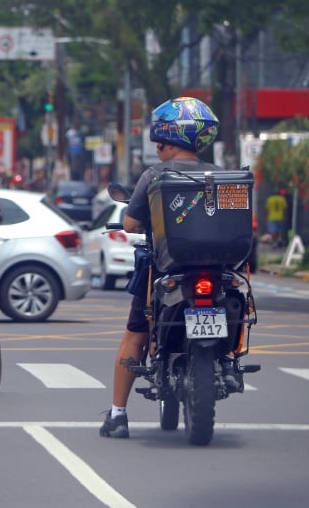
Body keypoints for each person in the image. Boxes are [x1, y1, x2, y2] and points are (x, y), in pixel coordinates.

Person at [99, 96, 221, 438]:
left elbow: (131, 222)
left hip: (167, 272)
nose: (157, 146)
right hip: (218, 272)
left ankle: (118, 415)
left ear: (172, 137)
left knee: (135, 335)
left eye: (161, 140)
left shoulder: (154, 175)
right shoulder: (220, 175)